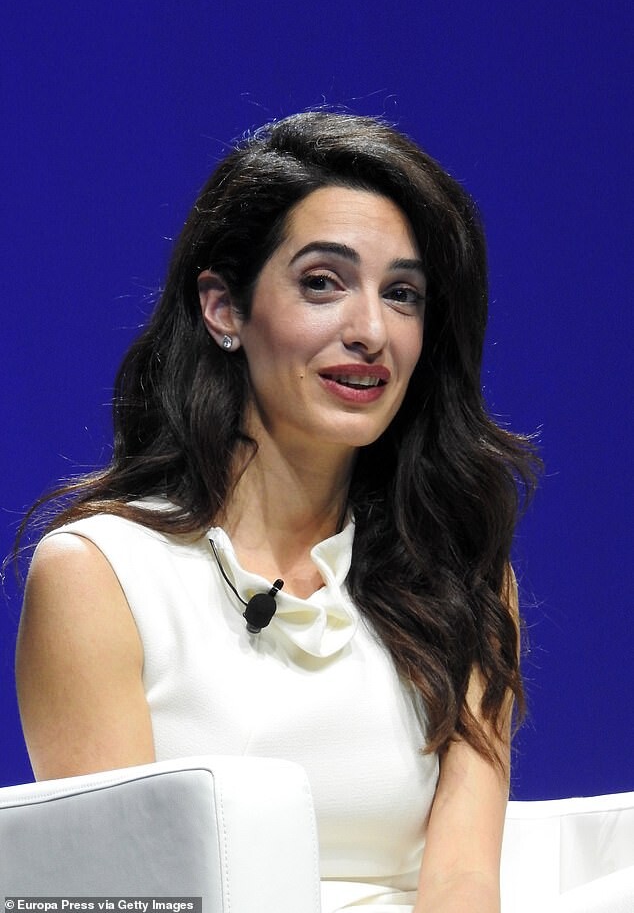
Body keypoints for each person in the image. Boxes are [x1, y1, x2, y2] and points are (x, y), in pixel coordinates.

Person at [16, 110, 539, 913]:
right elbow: (117, 895)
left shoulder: (461, 579)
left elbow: (464, 880)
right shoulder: (99, 576)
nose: (371, 331)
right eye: (323, 282)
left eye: (402, 294)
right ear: (224, 309)